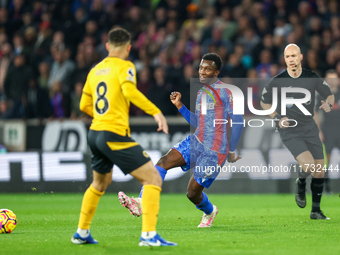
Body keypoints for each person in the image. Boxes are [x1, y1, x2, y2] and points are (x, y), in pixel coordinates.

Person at [71, 28, 177, 247]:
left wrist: (101, 115)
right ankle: (148, 236)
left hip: (95, 133)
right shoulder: (126, 66)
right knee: (153, 179)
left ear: (108, 46)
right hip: (113, 133)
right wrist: (156, 112)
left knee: (100, 183)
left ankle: (81, 232)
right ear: (128, 48)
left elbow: (83, 105)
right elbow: (129, 92)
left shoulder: (95, 70)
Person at [118, 53, 243, 227]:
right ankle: (141, 202)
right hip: (197, 141)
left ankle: (209, 211)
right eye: (201, 67)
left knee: (192, 193)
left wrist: (231, 150)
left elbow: (238, 122)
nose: (202, 71)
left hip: (214, 151)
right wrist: (180, 107)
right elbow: (198, 123)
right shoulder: (202, 92)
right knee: (163, 162)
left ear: (216, 72)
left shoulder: (227, 92)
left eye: (208, 69)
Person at [260, 44, 334, 220]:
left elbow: (328, 93)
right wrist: (276, 117)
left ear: (301, 57)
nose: (291, 60)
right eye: (287, 57)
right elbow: (264, 101)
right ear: (284, 59)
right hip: (289, 129)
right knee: (308, 166)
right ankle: (301, 182)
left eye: (294, 56)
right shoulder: (278, 80)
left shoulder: (311, 77)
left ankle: (316, 211)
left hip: (309, 127)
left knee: (319, 171)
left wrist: (328, 104)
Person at [314, 69, 340, 193]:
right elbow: (316, 114)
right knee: (327, 159)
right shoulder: (321, 95)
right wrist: (319, 131)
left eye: (334, 78)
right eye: (329, 78)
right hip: (327, 129)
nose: (332, 81)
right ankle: (327, 186)